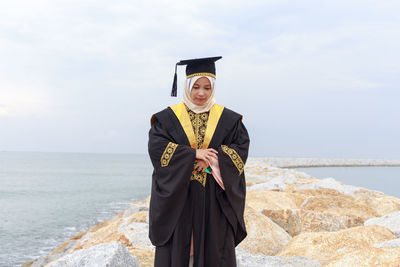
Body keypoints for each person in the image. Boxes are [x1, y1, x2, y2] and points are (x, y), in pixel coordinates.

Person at [148, 56, 250, 267]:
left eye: (207, 87)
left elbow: (240, 149)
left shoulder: (228, 119)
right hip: (179, 197)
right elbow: (157, 149)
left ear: (213, 88)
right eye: (196, 87)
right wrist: (192, 155)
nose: (201, 93)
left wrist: (213, 161)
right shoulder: (167, 119)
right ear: (187, 87)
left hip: (213, 198)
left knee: (215, 246)